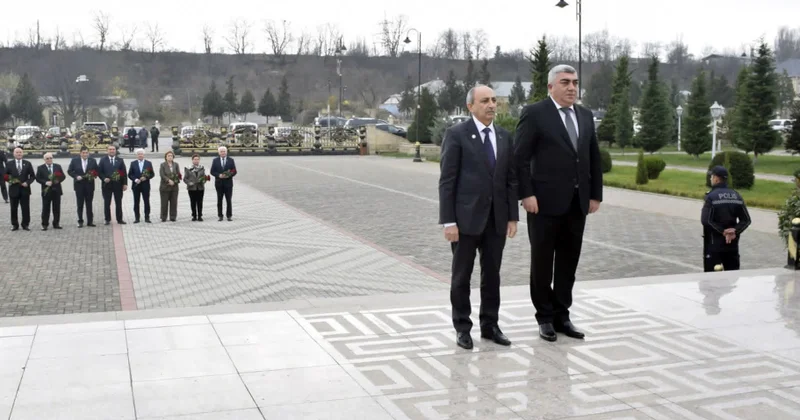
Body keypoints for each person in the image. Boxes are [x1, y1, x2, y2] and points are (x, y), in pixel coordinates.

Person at [514, 64, 603, 342]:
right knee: (542, 263)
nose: (572, 87)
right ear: (551, 86)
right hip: (542, 204)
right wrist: (526, 194)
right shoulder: (535, 114)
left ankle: (563, 314)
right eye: (565, 82)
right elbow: (519, 159)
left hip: (577, 204)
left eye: (575, 82)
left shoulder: (585, 116)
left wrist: (595, 193)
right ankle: (544, 317)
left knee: (568, 262)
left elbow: (593, 157)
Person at [438, 85, 519, 350]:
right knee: (461, 276)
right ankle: (463, 327)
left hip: (496, 220)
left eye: (494, 100)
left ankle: (490, 325)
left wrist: (511, 217)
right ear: (470, 106)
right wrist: (448, 221)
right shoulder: (457, 135)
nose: (491, 105)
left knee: (492, 275)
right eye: (485, 101)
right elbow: (447, 181)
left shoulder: (505, 136)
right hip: (465, 221)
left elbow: (510, 179)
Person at [702, 166, 752, 271]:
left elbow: (706, 221)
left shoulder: (711, 197)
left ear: (716, 179)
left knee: (711, 281)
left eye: (711, 177)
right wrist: (735, 231)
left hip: (713, 246)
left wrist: (723, 232)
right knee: (732, 278)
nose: (711, 179)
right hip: (732, 245)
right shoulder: (736, 195)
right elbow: (746, 220)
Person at [68, 146, 99, 227]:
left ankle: (90, 221)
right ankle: (80, 221)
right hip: (79, 186)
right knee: (80, 204)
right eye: (83, 153)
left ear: (88, 153)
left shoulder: (93, 161)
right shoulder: (74, 161)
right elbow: (69, 171)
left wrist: (94, 175)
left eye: (86, 153)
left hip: (89, 185)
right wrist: (76, 176)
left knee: (89, 203)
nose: (85, 154)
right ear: (80, 153)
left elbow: (97, 171)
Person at [6, 147, 35, 231]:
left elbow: (32, 176)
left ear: (22, 153)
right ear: (14, 154)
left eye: (20, 152)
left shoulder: (28, 163)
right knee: (13, 208)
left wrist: (28, 182)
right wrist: (11, 180)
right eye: (17, 152)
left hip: (25, 190)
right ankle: (15, 224)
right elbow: (5, 175)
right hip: (13, 189)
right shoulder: (9, 164)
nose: (19, 154)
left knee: (25, 208)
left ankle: (25, 224)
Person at [98, 145, 128, 225]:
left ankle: (119, 219)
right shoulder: (102, 160)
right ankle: (107, 219)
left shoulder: (120, 160)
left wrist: (125, 184)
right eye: (110, 149)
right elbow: (99, 172)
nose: (112, 151)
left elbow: (124, 173)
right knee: (107, 203)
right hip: (106, 185)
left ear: (115, 150)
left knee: (118, 202)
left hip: (118, 185)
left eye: (113, 149)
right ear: (107, 150)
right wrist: (104, 178)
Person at [35, 153, 65, 231]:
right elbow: (38, 178)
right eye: (47, 158)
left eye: (50, 158)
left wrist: (57, 181)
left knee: (56, 208)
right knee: (45, 208)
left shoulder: (57, 166)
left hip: (56, 190)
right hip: (46, 191)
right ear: (44, 159)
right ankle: (44, 224)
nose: (49, 160)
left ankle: (56, 223)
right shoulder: (40, 168)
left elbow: (63, 176)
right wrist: (45, 182)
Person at [128, 148, 154, 223]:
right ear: (137, 155)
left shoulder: (148, 163)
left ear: (143, 155)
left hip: (145, 185)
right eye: (139, 154)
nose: (140, 155)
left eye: (141, 154)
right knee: (136, 202)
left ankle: (147, 217)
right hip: (136, 186)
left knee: (146, 201)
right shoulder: (133, 163)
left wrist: (146, 177)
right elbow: (130, 174)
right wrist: (135, 179)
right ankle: (137, 218)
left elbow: (152, 174)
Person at [210, 146, 236, 221]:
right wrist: (218, 175)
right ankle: (220, 215)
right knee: (219, 199)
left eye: (224, 151)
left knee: (228, 200)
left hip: (228, 183)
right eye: (221, 151)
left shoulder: (231, 160)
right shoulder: (215, 160)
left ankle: (229, 215)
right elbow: (212, 171)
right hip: (219, 183)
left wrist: (228, 175)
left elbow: (234, 171)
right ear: (219, 153)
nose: (223, 153)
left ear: (226, 152)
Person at [183, 154, 207, 221]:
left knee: (200, 202)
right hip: (192, 188)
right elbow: (185, 178)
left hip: (200, 188)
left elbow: (204, 177)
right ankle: (194, 215)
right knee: (193, 202)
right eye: (195, 159)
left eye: (197, 159)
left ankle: (200, 215)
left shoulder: (201, 168)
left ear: (199, 160)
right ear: (192, 160)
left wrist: (203, 181)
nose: (196, 161)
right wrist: (189, 183)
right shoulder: (188, 168)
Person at [159, 150, 180, 222]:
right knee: (164, 203)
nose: (170, 157)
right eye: (168, 156)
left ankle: (173, 216)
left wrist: (175, 181)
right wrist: (168, 180)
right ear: (166, 157)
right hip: (165, 187)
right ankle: (163, 217)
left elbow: (178, 174)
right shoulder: (162, 165)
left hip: (174, 187)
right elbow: (162, 175)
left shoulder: (176, 164)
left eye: (171, 156)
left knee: (174, 202)